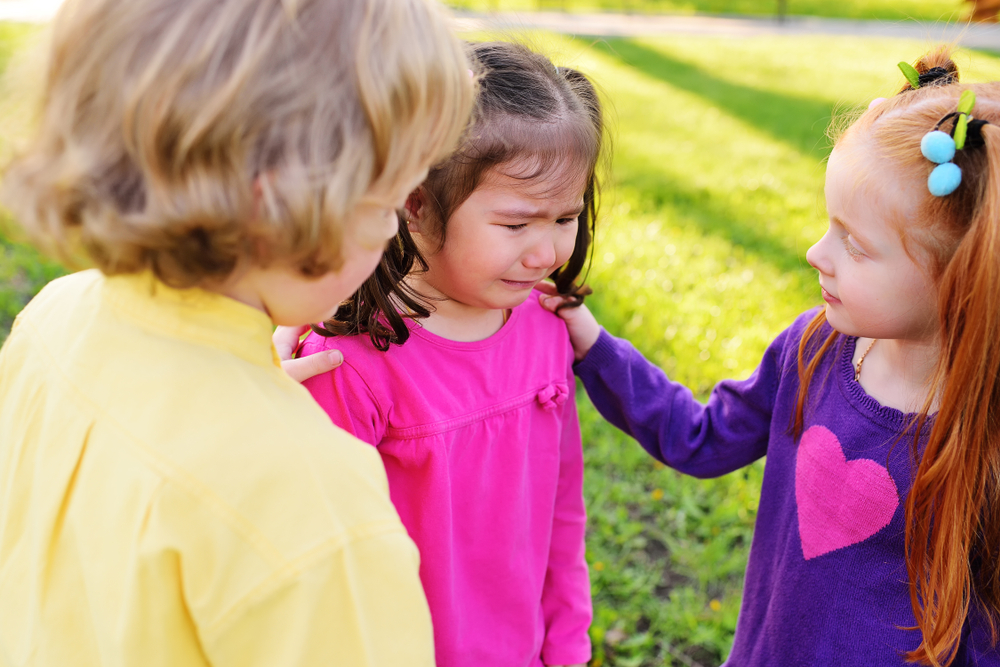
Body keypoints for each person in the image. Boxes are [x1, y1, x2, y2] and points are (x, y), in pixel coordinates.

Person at [0, 0, 473, 665]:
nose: (395, 230)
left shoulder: (52, 319)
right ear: (279, 202)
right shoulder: (315, 504)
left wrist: (241, 408)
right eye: (390, 200)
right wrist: (264, 436)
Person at [542, 48, 1000, 666]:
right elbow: (700, 438)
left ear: (959, 276)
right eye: (827, 225)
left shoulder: (983, 430)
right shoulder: (811, 351)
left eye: (855, 246)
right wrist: (595, 347)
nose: (817, 252)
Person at [292, 41, 606, 667]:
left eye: (565, 217)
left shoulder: (544, 327)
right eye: (516, 225)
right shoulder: (348, 364)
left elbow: (560, 517)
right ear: (415, 203)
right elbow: (315, 562)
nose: (547, 253)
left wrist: (567, 643)